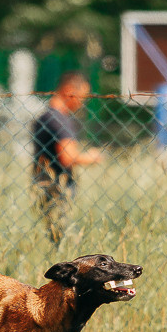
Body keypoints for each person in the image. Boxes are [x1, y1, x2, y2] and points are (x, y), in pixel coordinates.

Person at [31, 71, 105, 244]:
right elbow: (68, 157)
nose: (82, 103)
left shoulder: (44, 117)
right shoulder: (59, 120)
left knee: (52, 238)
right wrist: (92, 157)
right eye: (82, 97)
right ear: (69, 90)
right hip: (58, 189)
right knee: (62, 240)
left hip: (43, 185)